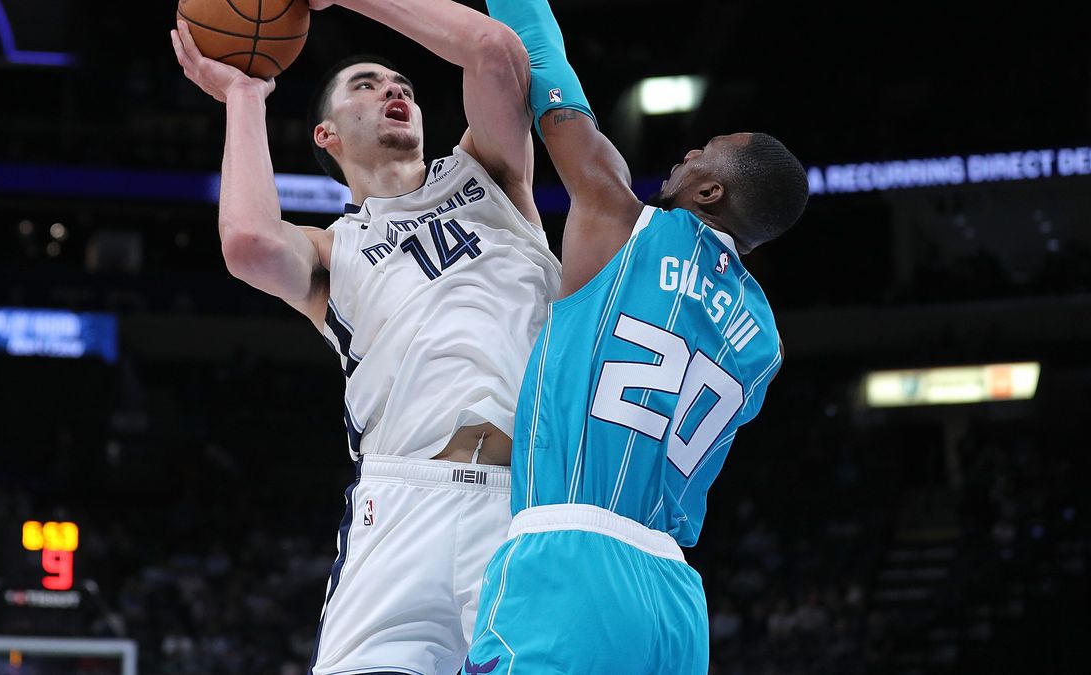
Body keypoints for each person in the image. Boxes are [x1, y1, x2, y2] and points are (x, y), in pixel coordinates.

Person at [169, 0, 560, 672]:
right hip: (402, 505)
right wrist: (243, 95)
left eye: (402, 84)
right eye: (367, 84)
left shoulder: (490, 175)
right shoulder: (334, 250)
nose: (394, 90)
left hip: (528, 501)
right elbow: (249, 243)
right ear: (327, 135)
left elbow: (495, 49)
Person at [465, 1, 809, 672]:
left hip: (571, 559)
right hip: (675, 599)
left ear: (709, 191)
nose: (685, 153)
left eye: (700, 155)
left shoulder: (624, 222)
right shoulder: (765, 340)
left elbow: (547, 71)